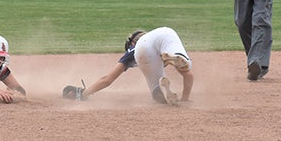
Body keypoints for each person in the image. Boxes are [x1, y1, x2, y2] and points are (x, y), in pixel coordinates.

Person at [62, 27, 193, 105]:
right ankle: (174, 57)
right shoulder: (156, 35)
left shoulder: (135, 48)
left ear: (132, 43)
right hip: (167, 32)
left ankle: (162, 91)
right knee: (185, 66)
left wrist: (84, 93)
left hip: (144, 49)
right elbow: (189, 76)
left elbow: (108, 79)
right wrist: (185, 99)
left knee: (157, 95)